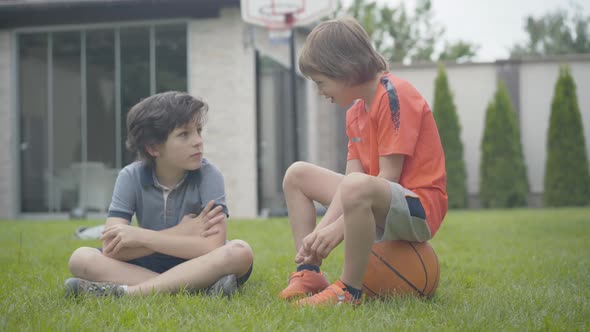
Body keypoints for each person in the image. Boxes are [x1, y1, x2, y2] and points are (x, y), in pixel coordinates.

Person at [278, 17, 448, 306]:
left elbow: (388, 177)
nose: (320, 92)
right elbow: (349, 186)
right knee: (297, 175)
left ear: (345, 69)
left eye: (321, 82)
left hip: (419, 208)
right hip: (375, 198)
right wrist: (318, 237)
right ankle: (308, 271)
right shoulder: (355, 113)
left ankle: (349, 291)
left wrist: (336, 230)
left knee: (358, 185)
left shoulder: (395, 96)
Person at [65, 91, 254, 297]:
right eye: (184, 134)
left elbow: (212, 245)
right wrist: (182, 231)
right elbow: (112, 248)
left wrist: (142, 237)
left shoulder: (209, 174)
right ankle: (198, 288)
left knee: (239, 252)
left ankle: (128, 293)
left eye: (198, 131)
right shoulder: (130, 176)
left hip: (198, 261)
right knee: (80, 258)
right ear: (154, 148)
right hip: (150, 263)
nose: (198, 141)